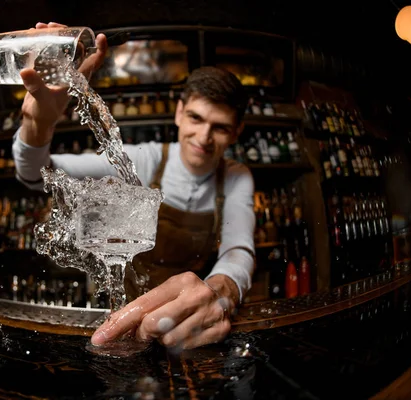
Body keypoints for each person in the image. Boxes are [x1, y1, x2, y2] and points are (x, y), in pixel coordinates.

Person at [13, 22, 255, 350]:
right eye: (196, 119)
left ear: (236, 132)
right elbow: (36, 174)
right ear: (180, 113)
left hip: (184, 324)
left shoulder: (237, 176)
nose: (204, 138)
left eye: (220, 127)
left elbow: (237, 249)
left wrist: (218, 292)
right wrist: (38, 123)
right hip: (120, 313)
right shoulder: (146, 160)